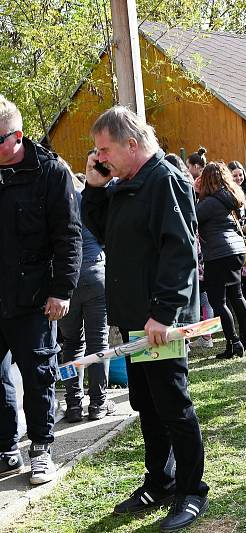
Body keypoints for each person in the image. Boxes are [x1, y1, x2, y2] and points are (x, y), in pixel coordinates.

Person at [82, 105, 208, 530]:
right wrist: (95, 189)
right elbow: (105, 234)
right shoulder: (127, 183)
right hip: (140, 319)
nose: (99, 158)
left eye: (104, 149)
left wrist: (162, 314)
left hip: (160, 322)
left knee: (173, 404)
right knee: (147, 405)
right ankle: (161, 480)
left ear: (131, 144)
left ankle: (191, 491)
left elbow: (180, 250)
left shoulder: (165, 179)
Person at [0, 95, 82, 485]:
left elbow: (69, 237)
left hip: (34, 297)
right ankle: (6, 447)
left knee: (38, 375)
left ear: (16, 136)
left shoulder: (51, 173)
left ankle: (41, 449)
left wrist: (62, 291)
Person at [59, 170, 115, 423]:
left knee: (71, 345)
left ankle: (72, 404)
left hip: (65, 283)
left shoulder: (50, 204)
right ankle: (98, 404)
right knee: (98, 343)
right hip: (94, 273)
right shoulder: (86, 199)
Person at [196, 161, 246, 359]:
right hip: (236, 250)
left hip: (218, 253)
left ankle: (233, 342)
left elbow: (192, 218)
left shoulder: (208, 203)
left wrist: (195, 194)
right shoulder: (231, 196)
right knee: (237, 296)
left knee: (218, 302)